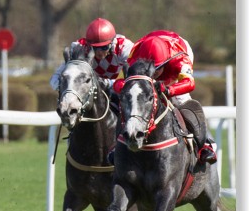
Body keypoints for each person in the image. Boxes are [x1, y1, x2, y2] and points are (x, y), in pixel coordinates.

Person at [114, 29, 217, 164]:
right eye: (151, 69)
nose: (153, 73)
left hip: (176, 55)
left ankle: (204, 145)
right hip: (149, 51)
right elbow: (118, 83)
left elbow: (189, 83)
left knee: (182, 100)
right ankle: (116, 146)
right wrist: (130, 88)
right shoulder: (134, 56)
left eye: (157, 69)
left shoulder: (180, 59)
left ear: (165, 63)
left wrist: (168, 90)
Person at [50, 18, 134, 95]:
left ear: (112, 43)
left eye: (104, 47)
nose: (99, 52)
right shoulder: (80, 49)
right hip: (93, 94)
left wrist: (110, 83)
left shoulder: (124, 47)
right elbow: (54, 80)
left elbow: (136, 78)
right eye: (95, 48)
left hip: (119, 90)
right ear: (89, 45)